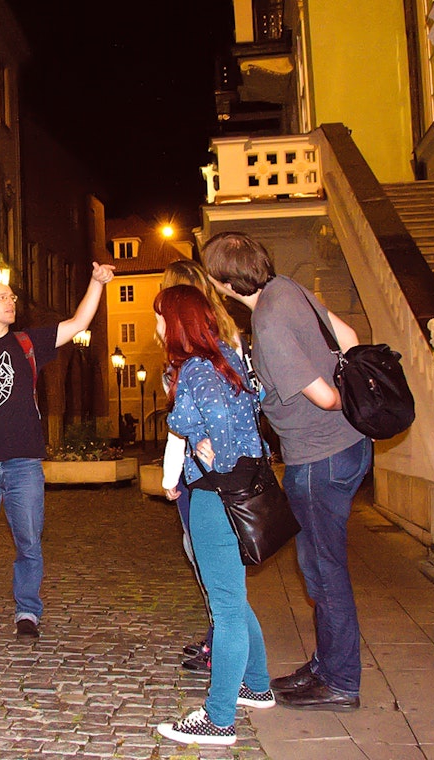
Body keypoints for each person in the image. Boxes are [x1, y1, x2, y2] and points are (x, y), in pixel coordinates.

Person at [202, 231, 371, 712]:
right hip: (347, 447)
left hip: (319, 456)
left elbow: (326, 396)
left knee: (324, 572)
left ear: (223, 283)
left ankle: (341, 681)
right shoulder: (288, 288)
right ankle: (327, 665)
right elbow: (349, 338)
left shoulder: (268, 321)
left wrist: (326, 400)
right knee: (318, 566)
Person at [0, 261, 115, 645]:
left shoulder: (28, 343)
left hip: (24, 463)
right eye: (3, 297)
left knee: (29, 543)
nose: (11, 302)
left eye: (12, 297)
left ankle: (28, 612)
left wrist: (96, 283)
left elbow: (77, 324)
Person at [154, 285, 274, 747]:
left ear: (177, 323)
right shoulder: (226, 357)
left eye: (161, 317)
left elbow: (213, 418)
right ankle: (256, 686)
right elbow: (256, 403)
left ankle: (218, 718)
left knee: (225, 609)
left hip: (214, 496)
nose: (157, 326)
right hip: (240, 491)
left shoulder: (197, 369)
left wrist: (218, 455)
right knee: (234, 599)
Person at [159, 260, 246, 676]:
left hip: (205, 473)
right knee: (214, 561)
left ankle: (223, 664)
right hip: (212, 469)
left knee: (209, 559)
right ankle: (238, 658)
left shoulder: (192, 358)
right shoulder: (226, 340)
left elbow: (195, 420)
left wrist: (216, 459)